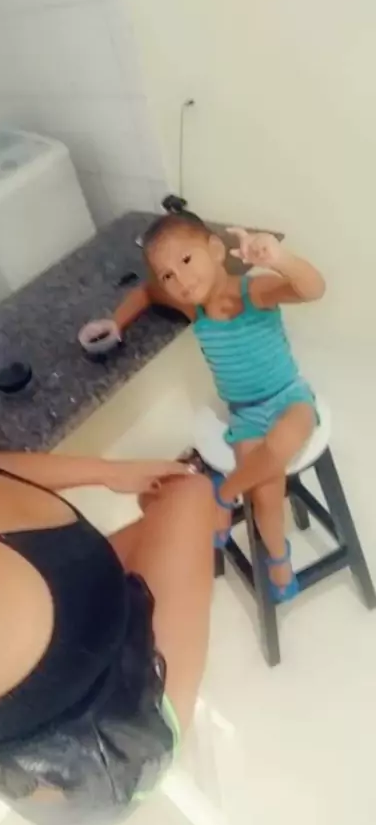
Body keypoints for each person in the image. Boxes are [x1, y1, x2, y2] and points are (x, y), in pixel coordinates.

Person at [0, 265, 218, 825]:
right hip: (118, 762)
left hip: (83, 649)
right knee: (193, 494)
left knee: (177, 495)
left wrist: (107, 472)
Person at [143, 212, 326, 603]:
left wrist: (280, 259)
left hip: (289, 396)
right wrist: (114, 323)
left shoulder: (253, 292)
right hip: (245, 413)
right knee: (264, 493)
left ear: (215, 249)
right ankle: (279, 556)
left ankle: (223, 493)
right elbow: (146, 292)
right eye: (169, 275)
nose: (180, 279)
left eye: (186, 260)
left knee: (279, 444)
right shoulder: (193, 309)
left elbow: (313, 289)